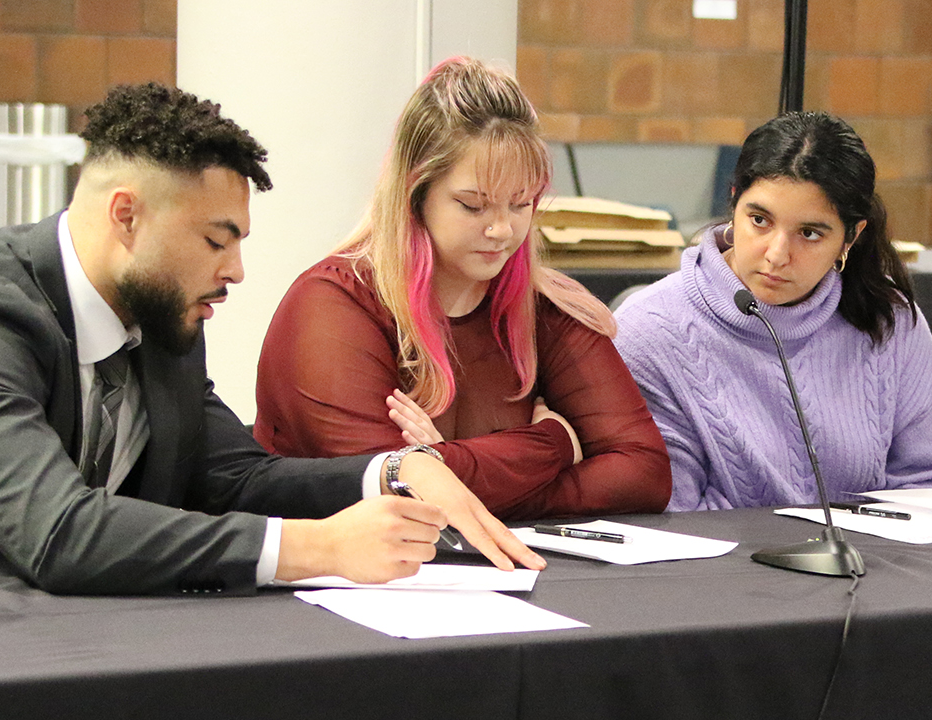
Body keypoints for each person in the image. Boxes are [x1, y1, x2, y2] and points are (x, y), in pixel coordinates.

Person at [0, 83, 542, 595]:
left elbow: (233, 477)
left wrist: (393, 471)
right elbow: (58, 531)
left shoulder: (160, 314)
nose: (236, 271)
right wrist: (318, 549)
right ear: (126, 216)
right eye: (216, 240)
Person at [253, 58, 669, 520]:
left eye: (521, 203)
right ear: (416, 194)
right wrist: (552, 444)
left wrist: (450, 472)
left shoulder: (546, 305)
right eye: (473, 206)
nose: (502, 229)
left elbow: (644, 474)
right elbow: (393, 492)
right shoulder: (333, 306)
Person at [614, 111, 932, 511]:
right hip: (720, 570)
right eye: (760, 220)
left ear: (851, 237)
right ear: (733, 202)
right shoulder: (650, 330)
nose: (777, 255)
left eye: (810, 233)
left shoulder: (889, 320)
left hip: (868, 566)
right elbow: (670, 515)